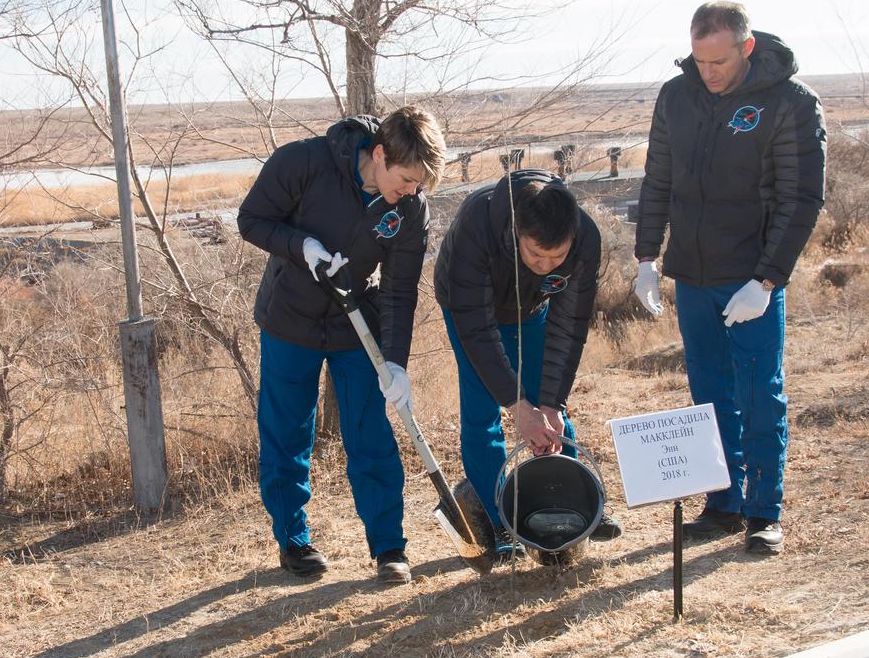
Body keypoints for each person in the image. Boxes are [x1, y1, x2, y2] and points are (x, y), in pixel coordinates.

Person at [633, 1, 826, 556]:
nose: (707, 73)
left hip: (750, 280)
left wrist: (766, 281)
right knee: (710, 395)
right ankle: (723, 503)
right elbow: (658, 179)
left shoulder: (790, 101)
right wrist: (648, 257)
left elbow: (801, 199)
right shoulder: (677, 95)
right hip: (693, 275)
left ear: (745, 48)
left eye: (718, 61)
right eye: (698, 60)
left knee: (759, 394)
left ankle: (764, 512)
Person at [237, 106, 445, 583]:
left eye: (420, 184)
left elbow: (399, 290)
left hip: (358, 324)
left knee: (369, 433)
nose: (411, 192)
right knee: (287, 434)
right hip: (290, 320)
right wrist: (302, 246)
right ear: (378, 154)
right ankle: (294, 541)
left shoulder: (409, 209)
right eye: (407, 179)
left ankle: (389, 547)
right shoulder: (304, 163)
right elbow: (251, 220)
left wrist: (396, 363)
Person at [435, 170, 622, 559]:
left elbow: (569, 328)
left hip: (532, 307)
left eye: (557, 257)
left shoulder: (586, 240)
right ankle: (498, 519)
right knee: (482, 409)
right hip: (467, 308)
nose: (546, 265)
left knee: (550, 403)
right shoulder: (477, 223)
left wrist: (549, 404)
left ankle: (576, 503)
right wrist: (517, 406)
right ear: (517, 231)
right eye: (536, 254)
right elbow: (479, 332)